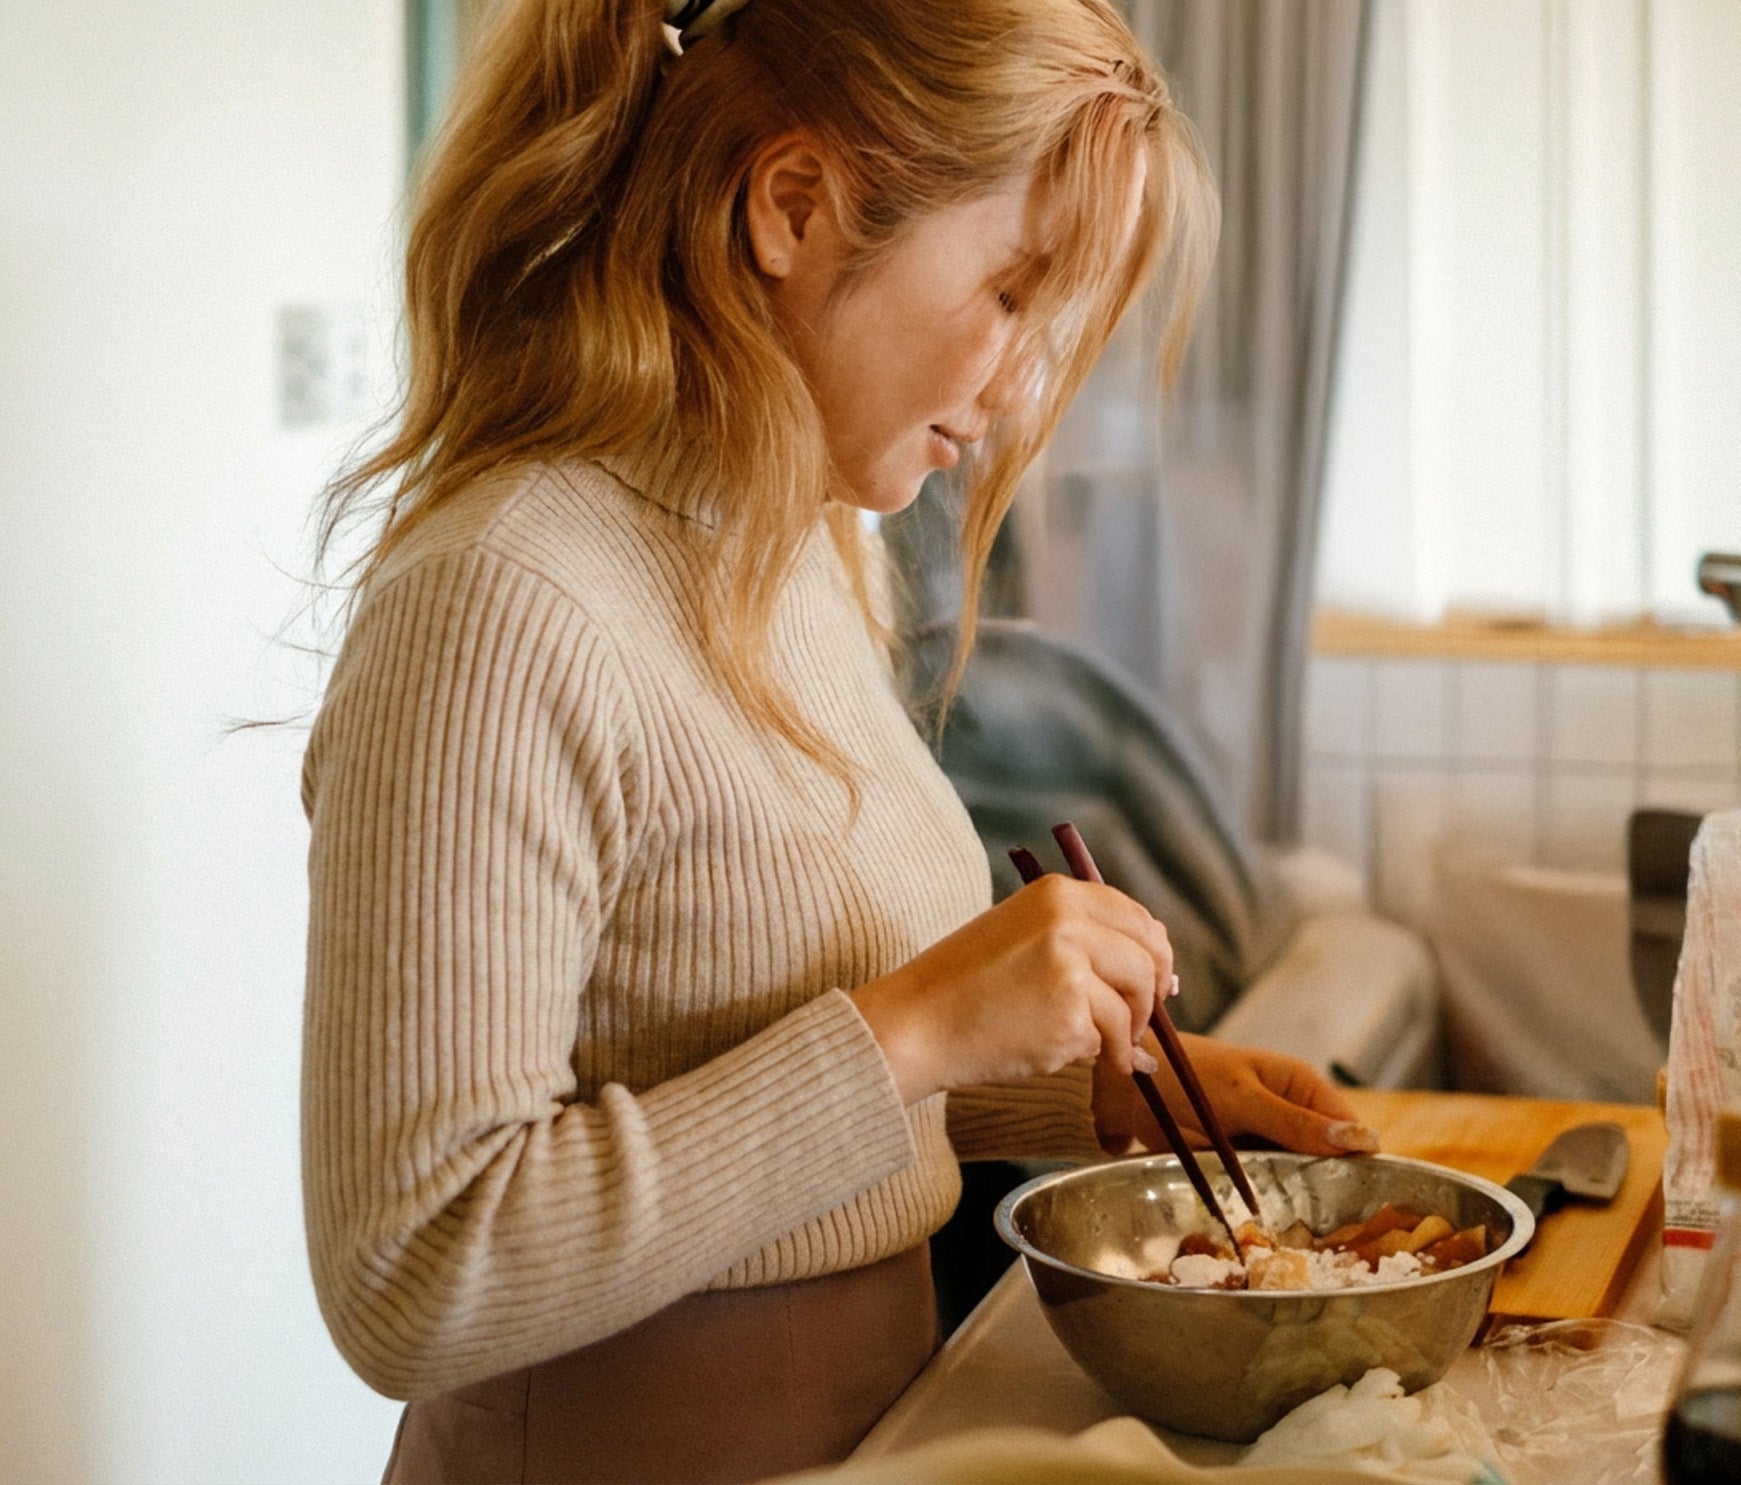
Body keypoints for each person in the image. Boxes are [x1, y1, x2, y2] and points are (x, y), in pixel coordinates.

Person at [300, 1, 1377, 1480]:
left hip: (881, 1428)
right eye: (1008, 293)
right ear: (793, 206)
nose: (1013, 398)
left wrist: (1081, 1087)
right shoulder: (503, 601)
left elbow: (736, 1038)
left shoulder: (802, 548)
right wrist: (929, 1019)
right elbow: (412, 1270)